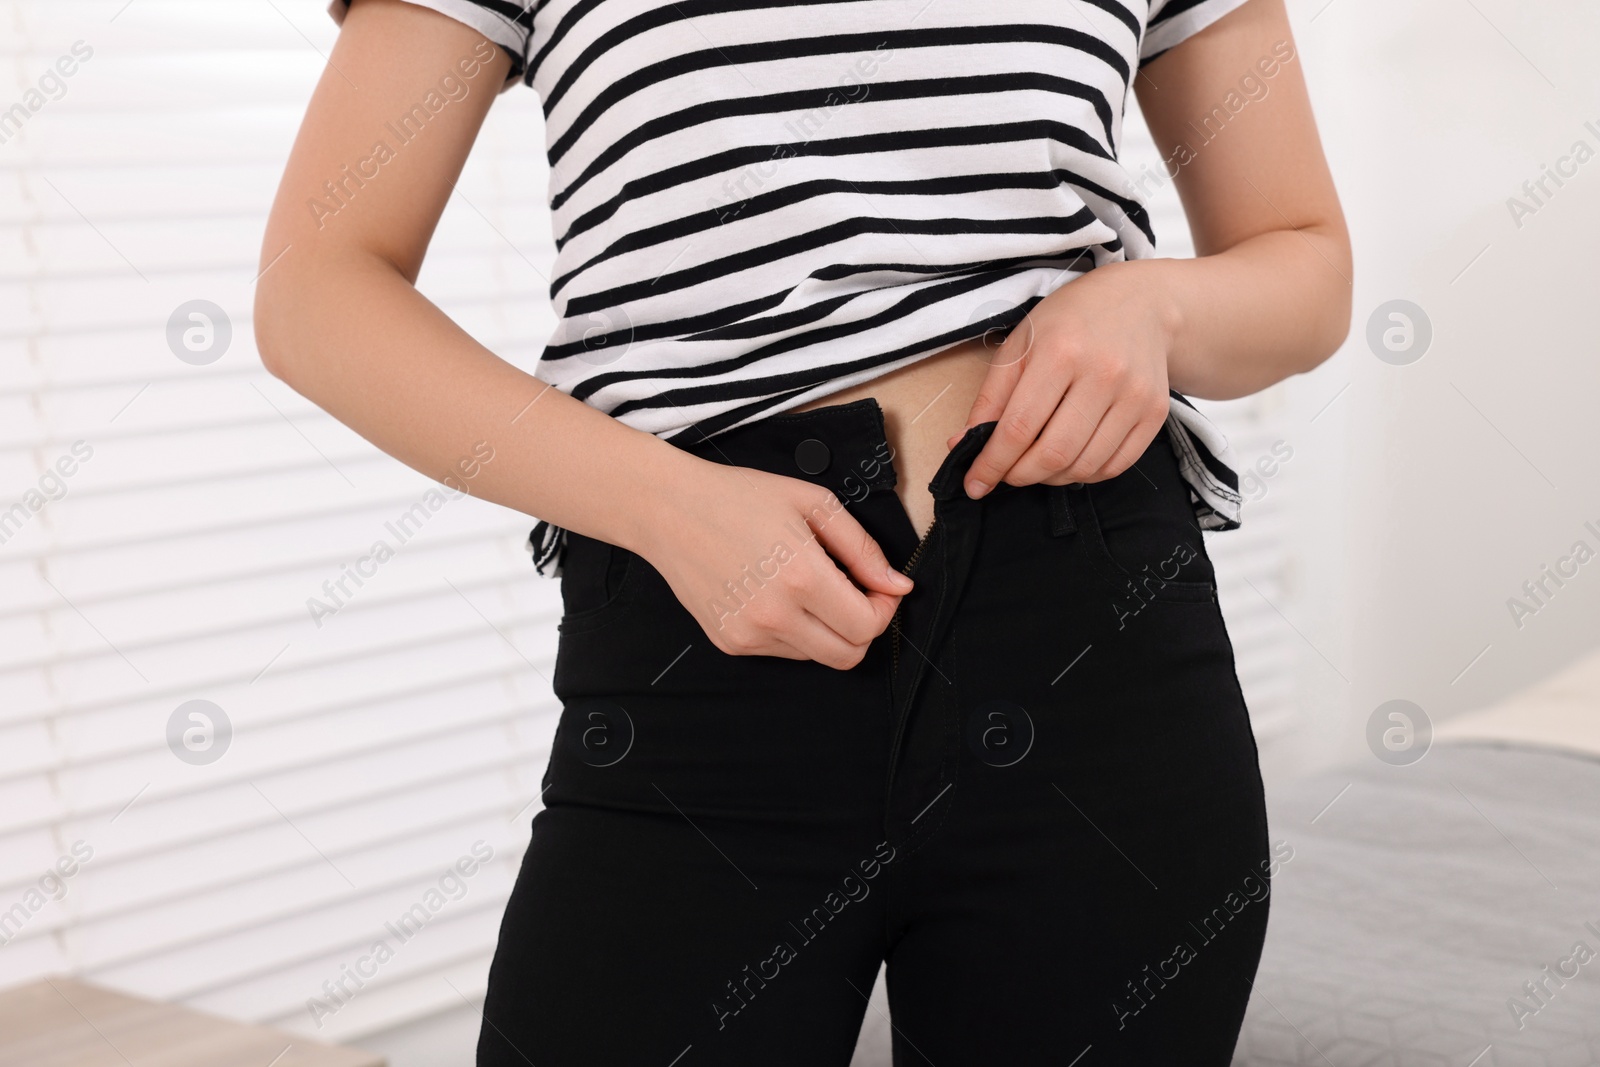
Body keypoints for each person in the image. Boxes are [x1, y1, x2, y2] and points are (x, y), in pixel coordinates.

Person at [256, 0, 1349, 1061]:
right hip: (703, 649)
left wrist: (1155, 309)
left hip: (1090, 645)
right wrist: (665, 502)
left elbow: (1304, 259)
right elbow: (316, 287)